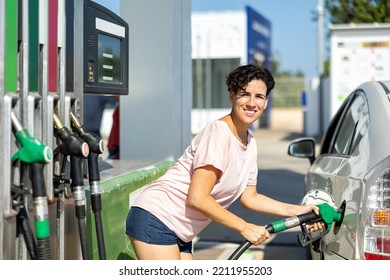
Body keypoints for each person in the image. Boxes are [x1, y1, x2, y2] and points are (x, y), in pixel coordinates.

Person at [125, 64, 323, 260]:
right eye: (244, 94)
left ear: (266, 101)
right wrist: (244, 227)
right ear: (232, 96)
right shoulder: (219, 134)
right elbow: (198, 197)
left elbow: (250, 197)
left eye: (259, 96)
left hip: (181, 228)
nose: (252, 103)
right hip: (158, 217)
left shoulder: (250, 142)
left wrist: (298, 211)